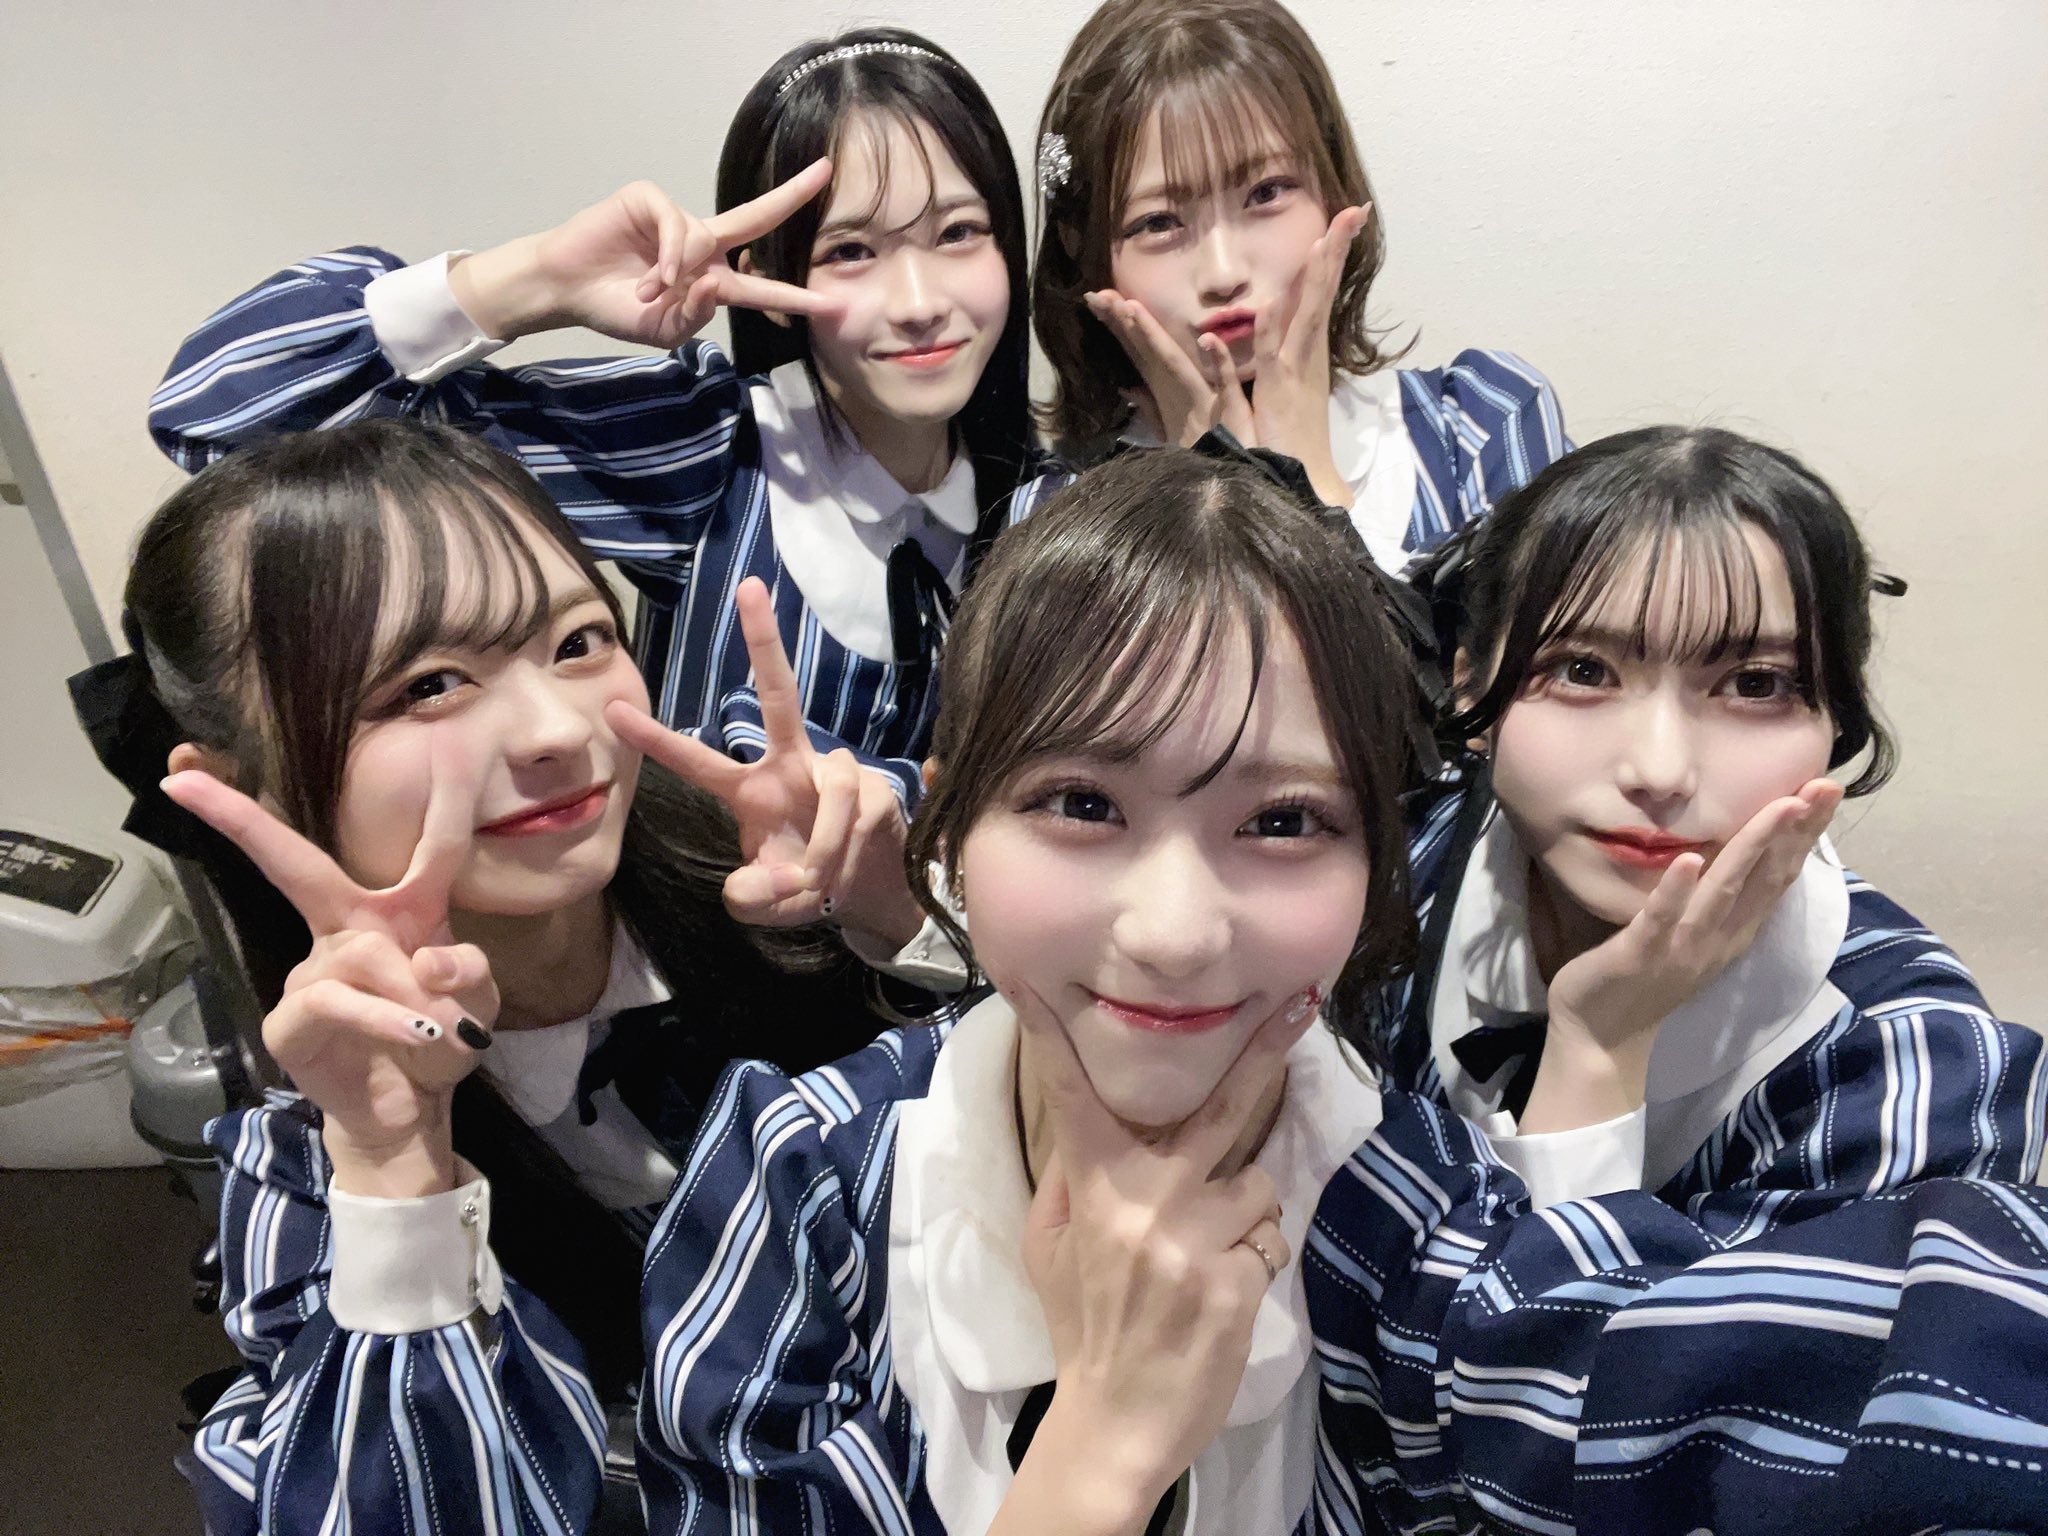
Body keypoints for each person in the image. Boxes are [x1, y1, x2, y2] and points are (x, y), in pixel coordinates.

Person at [124, 419, 928, 1534]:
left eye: (578, 641)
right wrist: (398, 1168)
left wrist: (896, 922)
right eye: (428, 685)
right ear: (237, 786)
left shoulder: (783, 864)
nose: (556, 729)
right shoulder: (314, 1167)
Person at [633, 447, 1425, 1532]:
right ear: (949, 824)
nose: (1173, 935)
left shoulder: (1427, 1214)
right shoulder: (798, 1184)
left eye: (1282, 821)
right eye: (1083, 804)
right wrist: (1099, 1455)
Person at [1339, 424, 2048, 1532]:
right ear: (1472, 685)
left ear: (1835, 724)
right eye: (1582, 670)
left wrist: (1598, 1050)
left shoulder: (1915, 1079)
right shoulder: (1399, 867)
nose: (1659, 770)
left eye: (1754, 684)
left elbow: (1618, 1459)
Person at [147, 28, 1035, 800]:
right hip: (685, 938)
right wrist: (538, 279)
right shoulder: (709, 449)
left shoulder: (1042, 505)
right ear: (765, 278)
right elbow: (223, 419)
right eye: (849, 251)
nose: (920, 303)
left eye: (959, 233)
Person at [1024, 0, 1567, 571]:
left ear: (1333, 191)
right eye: (1159, 223)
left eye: (1265, 193)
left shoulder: (1483, 424)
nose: (1223, 274)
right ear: (1080, 247)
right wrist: (1209, 484)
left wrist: (1311, 490)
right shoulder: (1054, 519)